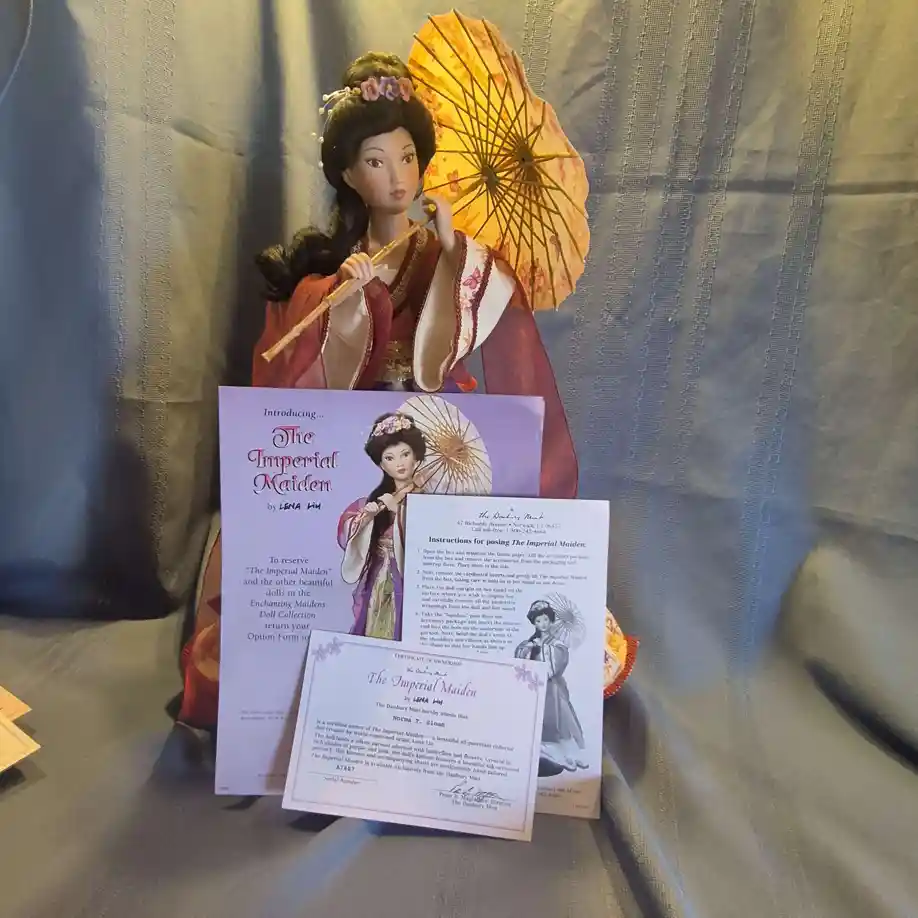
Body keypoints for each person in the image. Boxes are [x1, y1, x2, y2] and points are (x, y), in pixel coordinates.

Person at [175, 51, 578, 730]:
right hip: (349, 449)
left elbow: (477, 333)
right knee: (334, 567)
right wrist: (342, 301)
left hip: (433, 445)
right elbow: (300, 377)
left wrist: (454, 258)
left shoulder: (452, 256)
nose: (397, 176)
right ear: (347, 174)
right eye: (375, 160)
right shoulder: (336, 269)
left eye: (407, 157)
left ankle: (431, 704)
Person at [338, 413, 426, 640]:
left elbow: (427, 542)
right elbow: (350, 532)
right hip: (378, 574)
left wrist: (398, 511)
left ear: (416, 457)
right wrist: (366, 520)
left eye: (405, 454)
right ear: (381, 464)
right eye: (390, 457)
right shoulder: (379, 498)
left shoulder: (426, 499)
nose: (399, 463)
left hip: (407, 580)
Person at [515, 600, 587, 772]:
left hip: (553, 688)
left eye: (545, 619)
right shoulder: (530, 642)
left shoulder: (557, 645)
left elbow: (555, 666)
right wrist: (531, 649)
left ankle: (572, 754)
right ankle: (553, 755)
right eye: (538, 621)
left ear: (551, 620)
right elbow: (520, 661)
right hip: (535, 687)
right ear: (534, 623)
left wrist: (542, 649)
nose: (543, 624)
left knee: (562, 719)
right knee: (540, 721)